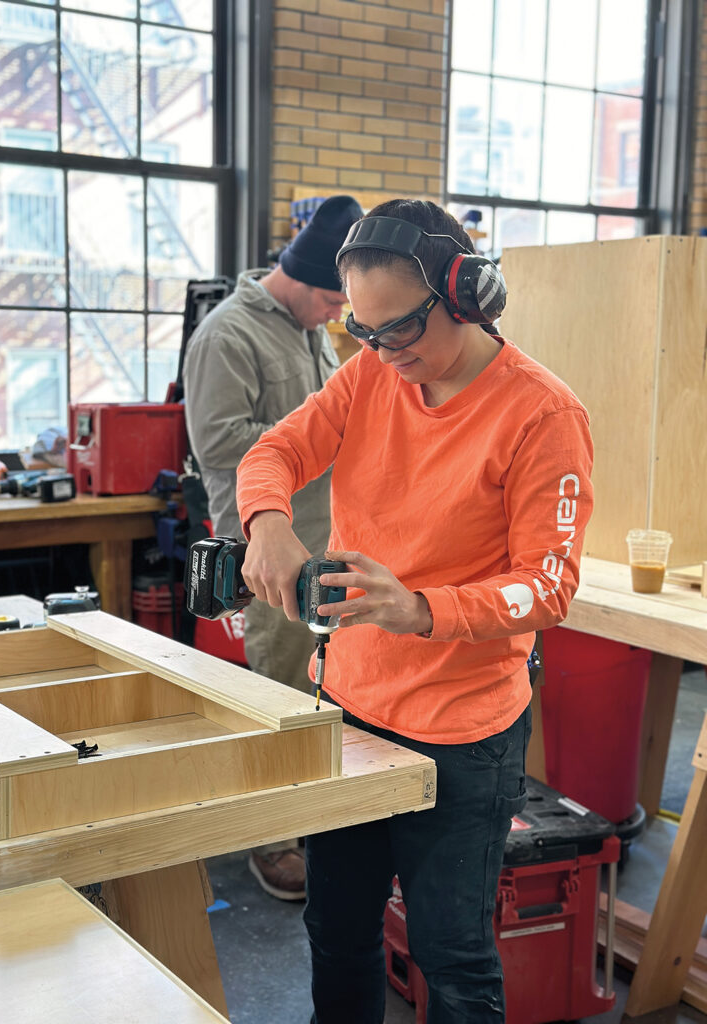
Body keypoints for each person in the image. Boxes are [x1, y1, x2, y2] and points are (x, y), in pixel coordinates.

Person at [234, 199, 594, 1022]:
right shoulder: (371, 373)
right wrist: (270, 524)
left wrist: (422, 609)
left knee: (452, 953)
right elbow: (275, 451)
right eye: (360, 331)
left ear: (468, 294)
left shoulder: (542, 415)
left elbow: (547, 586)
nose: (381, 351)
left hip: (463, 734)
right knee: (339, 927)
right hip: (353, 708)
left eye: (397, 329)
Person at [183, 194, 363, 901]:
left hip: (330, 537)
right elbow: (217, 443)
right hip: (270, 547)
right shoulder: (226, 337)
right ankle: (273, 843)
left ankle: (315, 814)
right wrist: (314, 433)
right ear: (307, 285)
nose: (336, 321)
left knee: (327, 690)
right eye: (332, 305)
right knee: (279, 690)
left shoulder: (307, 328)